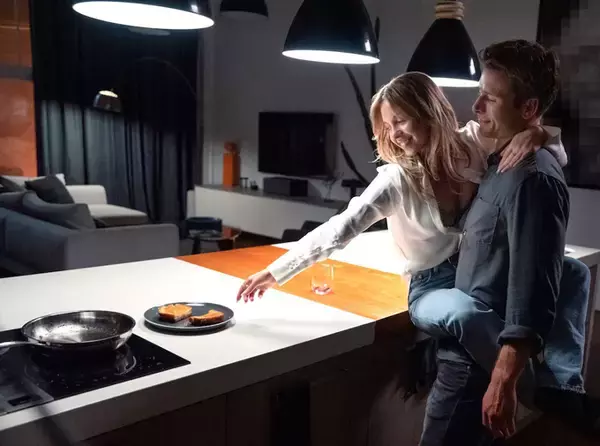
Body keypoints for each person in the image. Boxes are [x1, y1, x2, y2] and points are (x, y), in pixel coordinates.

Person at [410, 39, 596, 446]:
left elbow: (534, 281)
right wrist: (539, 133)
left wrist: (503, 378)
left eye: (490, 99)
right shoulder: (500, 156)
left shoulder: (532, 177)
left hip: (476, 371)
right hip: (466, 360)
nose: (476, 107)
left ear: (528, 108)